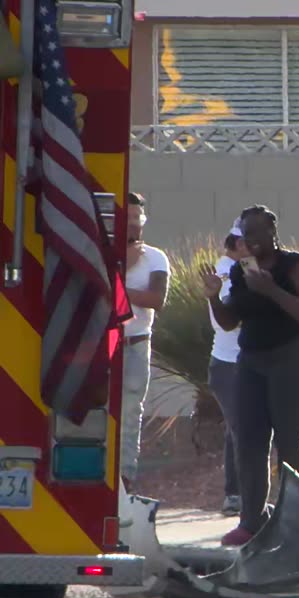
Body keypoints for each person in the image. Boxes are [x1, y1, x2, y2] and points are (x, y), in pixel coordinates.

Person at [203, 206, 299, 548]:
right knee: (249, 442)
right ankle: (251, 521)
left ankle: (297, 519)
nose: (252, 241)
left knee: (288, 441)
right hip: (252, 361)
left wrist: (271, 291)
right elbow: (229, 321)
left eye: (258, 232)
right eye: (246, 234)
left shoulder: (294, 265)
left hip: (293, 359)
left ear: (273, 229)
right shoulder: (243, 273)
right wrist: (213, 296)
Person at [121, 192, 170, 484]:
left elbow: (156, 298)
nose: (133, 223)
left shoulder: (155, 257)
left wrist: (117, 287)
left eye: (137, 217)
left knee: (130, 414)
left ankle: (125, 478)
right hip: (102, 346)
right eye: (126, 217)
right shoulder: (102, 254)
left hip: (137, 345)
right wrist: (121, 267)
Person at [209, 219, 250, 516]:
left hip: (245, 361)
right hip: (229, 364)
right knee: (241, 428)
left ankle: (237, 493)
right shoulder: (224, 273)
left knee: (239, 428)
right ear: (236, 244)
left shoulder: (246, 271)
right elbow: (222, 321)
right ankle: (238, 495)